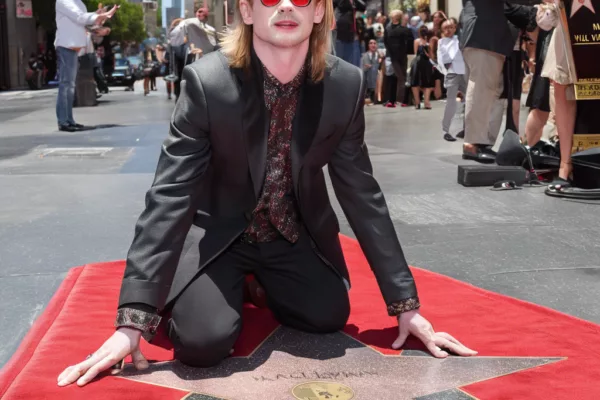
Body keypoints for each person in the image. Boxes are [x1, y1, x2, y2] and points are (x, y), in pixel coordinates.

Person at [57, 0, 477, 387]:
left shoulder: (345, 84)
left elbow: (361, 191)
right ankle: (213, 289)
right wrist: (133, 321)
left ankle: (256, 286)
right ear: (248, 10)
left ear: (319, 13)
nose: (287, 6)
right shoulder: (207, 82)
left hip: (291, 234)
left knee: (327, 315)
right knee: (202, 344)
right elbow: (170, 194)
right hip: (218, 236)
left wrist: (406, 304)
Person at [459, 0, 535, 162]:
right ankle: (472, 144)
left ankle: (483, 142)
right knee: (482, 89)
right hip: (484, 36)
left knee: (493, 92)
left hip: (490, 38)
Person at [54, 0, 117, 132]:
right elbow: (80, 17)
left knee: (69, 85)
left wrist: (98, 15)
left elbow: (82, 20)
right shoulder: (64, 1)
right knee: (66, 84)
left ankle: (68, 120)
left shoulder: (78, 3)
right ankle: (63, 121)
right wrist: (101, 16)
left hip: (74, 46)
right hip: (66, 45)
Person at [438, 19, 466, 142]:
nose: (448, 30)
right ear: (442, 30)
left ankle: (467, 128)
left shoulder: (460, 38)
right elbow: (442, 59)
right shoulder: (441, 42)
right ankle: (446, 130)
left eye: (451, 27)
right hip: (452, 74)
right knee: (451, 103)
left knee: (469, 101)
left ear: (455, 28)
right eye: (446, 28)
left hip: (464, 72)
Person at [384, 10, 413, 107]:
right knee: (401, 77)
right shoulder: (404, 30)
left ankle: (397, 100)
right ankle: (400, 99)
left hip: (394, 56)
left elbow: (386, 43)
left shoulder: (388, 30)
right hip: (399, 56)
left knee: (398, 77)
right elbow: (409, 44)